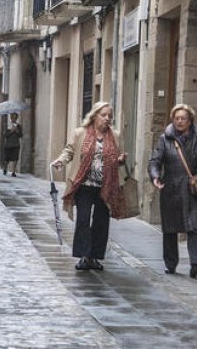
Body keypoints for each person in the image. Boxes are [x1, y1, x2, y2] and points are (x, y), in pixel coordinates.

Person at [51, 102, 128, 271]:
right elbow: (69, 151)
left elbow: (120, 157)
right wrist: (61, 161)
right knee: (83, 220)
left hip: (106, 185)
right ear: (94, 116)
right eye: (103, 115)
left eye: (110, 116)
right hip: (84, 184)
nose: (107, 118)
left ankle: (95, 257)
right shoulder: (80, 133)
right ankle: (84, 256)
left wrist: (121, 159)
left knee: (101, 222)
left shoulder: (115, 135)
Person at [148, 103, 197, 279]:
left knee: (194, 226)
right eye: (177, 118)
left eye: (183, 118)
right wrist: (155, 176)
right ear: (173, 119)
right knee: (170, 228)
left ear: (190, 120)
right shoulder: (165, 139)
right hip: (171, 188)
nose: (180, 121)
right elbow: (155, 161)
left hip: (193, 189)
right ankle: (170, 264)